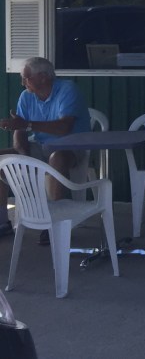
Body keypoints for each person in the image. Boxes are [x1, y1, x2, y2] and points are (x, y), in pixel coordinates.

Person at [0, 57, 91, 242]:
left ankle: (54, 223)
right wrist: (24, 157)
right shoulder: (26, 96)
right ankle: (2, 222)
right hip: (39, 147)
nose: (22, 82)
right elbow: (20, 132)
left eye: (26, 78)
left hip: (72, 147)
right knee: (2, 159)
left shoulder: (67, 89)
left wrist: (28, 124)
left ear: (43, 77)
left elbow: (64, 128)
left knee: (57, 157)